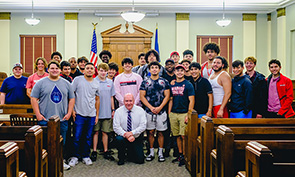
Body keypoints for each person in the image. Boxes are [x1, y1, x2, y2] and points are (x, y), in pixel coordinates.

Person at [30, 60, 75, 170]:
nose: (54, 70)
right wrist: (38, 115)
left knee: (61, 142)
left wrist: (69, 113)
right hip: (45, 119)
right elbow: (33, 98)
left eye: (56, 68)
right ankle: (47, 163)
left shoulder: (66, 83)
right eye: (52, 68)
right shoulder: (40, 83)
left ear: (60, 70)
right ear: (48, 69)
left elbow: (72, 98)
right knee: (45, 143)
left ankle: (60, 161)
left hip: (62, 119)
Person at [68, 62, 100, 166]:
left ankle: (86, 155)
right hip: (79, 114)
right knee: (77, 136)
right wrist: (72, 110)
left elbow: (97, 99)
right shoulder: (77, 80)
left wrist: (97, 115)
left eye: (91, 68)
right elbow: (71, 95)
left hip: (91, 114)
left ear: (94, 71)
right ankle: (75, 156)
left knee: (87, 137)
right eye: (87, 68)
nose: (89, 70)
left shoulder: (96, 83)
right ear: (84, 70)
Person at [140, 61, 170, 162]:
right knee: (150, 132)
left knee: (161, 133)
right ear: (149, 70)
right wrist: (151, 107)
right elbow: (142, 96)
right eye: (152, 67)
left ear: (159, 69)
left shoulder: (164, 81)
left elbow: (167, 96)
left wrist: (160, 107)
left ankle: (160, 152)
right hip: (149, 111)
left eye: (156, 67)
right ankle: (151, 152)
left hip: (161, 111)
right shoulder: (145, 82)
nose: (154, 69)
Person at [168, 64, 194, 166]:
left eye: (181, 71)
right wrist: (169, 113)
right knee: (177, 135)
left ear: (184, 72)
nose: (179, 72)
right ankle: (180, 154)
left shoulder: (188, 84)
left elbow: (191, 100)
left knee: (183, 136)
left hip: (184, 113)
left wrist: (189, 114)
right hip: (174, 113)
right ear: (174, 72)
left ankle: (185, 155)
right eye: (177, 70)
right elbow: (170, 99)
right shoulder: (172, 84)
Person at [91, 63, 115, 162]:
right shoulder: (93, 81)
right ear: (98, 70)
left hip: (106, 111)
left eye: (105, 71)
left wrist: (113, 110)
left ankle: (106, 150)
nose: (103, 73)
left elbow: (111, 97)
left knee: (105, 132)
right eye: (101, 70)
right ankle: (95, 151)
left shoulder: (110, 82)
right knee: (96, 132)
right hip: (96, 112)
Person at [113, 93, 147, 165]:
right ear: (123, 101)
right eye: (126, 101)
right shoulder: (118, 111)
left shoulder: (140, 110)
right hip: (123, 137)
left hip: (136, 137)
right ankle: (121, 157)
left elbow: (143, 126)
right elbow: (116, 127)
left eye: (130, 101)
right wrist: (126, 135)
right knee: (119, 139)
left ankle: (130, 153)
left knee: (140, 160)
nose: (128, 103)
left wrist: (132, 133)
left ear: (134, 101)